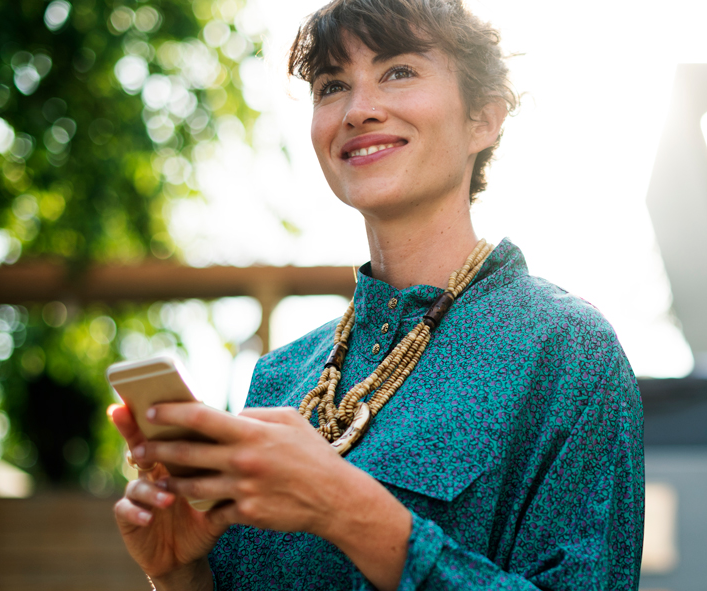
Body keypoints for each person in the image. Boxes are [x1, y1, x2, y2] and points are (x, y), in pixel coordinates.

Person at [108, 0, 645, 589]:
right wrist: (180, 572)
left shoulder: (567, 353)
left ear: (483, 119)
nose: (359, 110)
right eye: (332, 85)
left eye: (398, 72)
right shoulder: (279, 380)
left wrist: (347, 509)